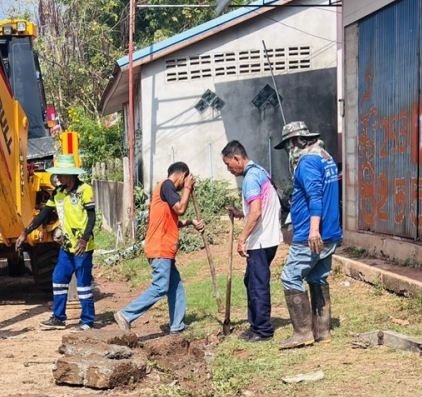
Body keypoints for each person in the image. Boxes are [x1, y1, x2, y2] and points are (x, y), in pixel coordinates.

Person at [114, 162, 203, 335]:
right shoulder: (167, 185)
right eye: (185, 180)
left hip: (164, 248)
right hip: (160, 248)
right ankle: (125, 315)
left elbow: (172, 221)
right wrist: (187, 188)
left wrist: (191, 222)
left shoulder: (164, 190)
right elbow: (181, 208)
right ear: (183, 175)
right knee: (160, 287)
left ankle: (177, 326)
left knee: (176, 286)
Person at [276, 121, 342, 349]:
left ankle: (302, 332)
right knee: (317, 277)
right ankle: (322, 331)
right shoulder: (326, 158)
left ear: (296, 142)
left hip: (310, 234)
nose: (288, 151)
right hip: (330, 231)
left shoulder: (307, 162)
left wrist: (313, 230)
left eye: (288, 145)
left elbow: (315, 196)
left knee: (290, 277)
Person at [15, 153, 96, 329]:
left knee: (83, 286)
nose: (57, 177)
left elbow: (92, 217)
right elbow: (43, 215)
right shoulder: (58, 193)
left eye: (60, 174)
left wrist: (84, 239)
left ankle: (87, 321)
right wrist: (25, 232)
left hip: (82, 247)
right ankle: (58, 318)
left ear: (70, 175)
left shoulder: (85, 190)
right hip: (66, 247)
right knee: (58, 279)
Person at [221, 140, 283, 341]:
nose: (229, 169)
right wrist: (241, 213)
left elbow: (256, 212)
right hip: (269, 238)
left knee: (257, 285)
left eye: (228, 164)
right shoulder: (260, 172)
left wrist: (242, 239)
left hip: (261, 241)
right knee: (251, 280)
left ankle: (263, 331)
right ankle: (255, 324)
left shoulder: (250, 178)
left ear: (237, 158)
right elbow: (259, 207)